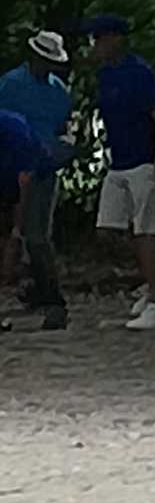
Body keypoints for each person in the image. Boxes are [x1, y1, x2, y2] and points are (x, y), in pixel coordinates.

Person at [82, 14, 155, 331]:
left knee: (146, 230)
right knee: (108, 229)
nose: (96, 45)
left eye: (100, 38)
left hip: (144, 161)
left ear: (115, 39)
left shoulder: (139, 73)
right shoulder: (105, 75)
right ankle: (152, 278)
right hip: (118, 162)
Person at [0, 31, 75, 329]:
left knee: (37, 234)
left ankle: (52, 297)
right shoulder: (10, 85)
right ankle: (37, 288)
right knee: (20, 232)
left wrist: (64, 148)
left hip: (43, 166)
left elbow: (64, 127)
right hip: (13, 162)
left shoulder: (59, 91)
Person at [0, 108, 51, 321]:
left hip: (37, 175)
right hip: (7, 177)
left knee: (34, 237)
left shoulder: (16, 131)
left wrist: (16, 232)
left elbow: (25, 184)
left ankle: (49, 297)